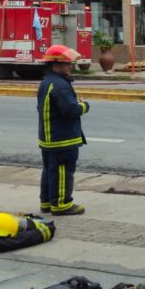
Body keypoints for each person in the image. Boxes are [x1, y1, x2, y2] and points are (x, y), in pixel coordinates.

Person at [37, 45, 90, 216]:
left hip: (49, 138)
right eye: (67, 63)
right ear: (56, 64)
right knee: (62, 172)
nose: (70, 66)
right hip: (62, 139)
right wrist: (83, 105)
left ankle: (46, 202)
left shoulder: (47, 83)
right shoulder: (60, 85)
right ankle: (61, 204)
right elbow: (70, 111)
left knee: (49, 170)